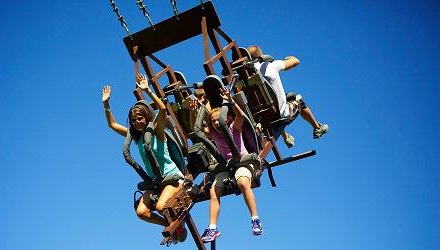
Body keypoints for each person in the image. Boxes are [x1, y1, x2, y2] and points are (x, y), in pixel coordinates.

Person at [102, 74, 187, 242]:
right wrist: (106, 103)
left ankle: (178, 224)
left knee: (161, 206)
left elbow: (162, 110)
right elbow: (112, 125)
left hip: (172, 177)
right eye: (133, 120)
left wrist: (148, 90)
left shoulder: (157, 131)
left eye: (139, 118)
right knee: (141, 212)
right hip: (156, 181)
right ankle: (170, 224)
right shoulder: (137, 138)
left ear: (146, 117)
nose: (136, 122)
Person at [201, 87, 263, 243]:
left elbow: (241, 115)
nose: (216, 123)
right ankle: (213, 228)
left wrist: (230, 100)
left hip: (242, 161)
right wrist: (202, 105)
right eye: (213, 121)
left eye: (218, 119)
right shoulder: (214, 133)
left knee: (242, 182)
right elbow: (197, 128)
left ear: (227, 118)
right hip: (227, 166)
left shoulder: (233, 127)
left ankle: (255, 219)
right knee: (214, 191)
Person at [247, 45, 329, 147]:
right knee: (296, 99)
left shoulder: (245, 77)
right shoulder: (269, 66)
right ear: (261, 56)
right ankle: (317, 127)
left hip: (261, 117)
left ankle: (286, 137)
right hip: (279, 115)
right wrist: (288, 58)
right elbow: (295, 61)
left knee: (276, 102)